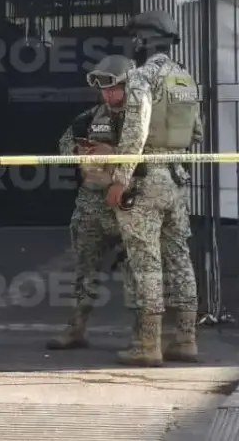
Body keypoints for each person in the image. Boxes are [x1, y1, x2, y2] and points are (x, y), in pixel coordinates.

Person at [105, 10, 202, 367]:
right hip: (177, 177)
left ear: (141, 40)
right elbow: (197, 132)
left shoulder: (141, 77)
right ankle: (186, 339)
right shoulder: (185, 78)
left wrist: (121, 178)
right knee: (180, 257)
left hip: (146, 177)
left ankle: (148, 345)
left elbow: (136, 131)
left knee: (146, 261)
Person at [47, 54, 139, 350]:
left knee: (137, 271)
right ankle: (76, 327)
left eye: (113, 87)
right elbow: (64, 146)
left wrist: (113, 153)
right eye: (103, 89)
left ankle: (143, 336)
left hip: (129, 203)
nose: (108, 94)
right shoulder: (89, 118)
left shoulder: (142, 120)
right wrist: (80, 151)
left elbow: (153, 156)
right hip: (91, 202)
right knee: (85, 269)